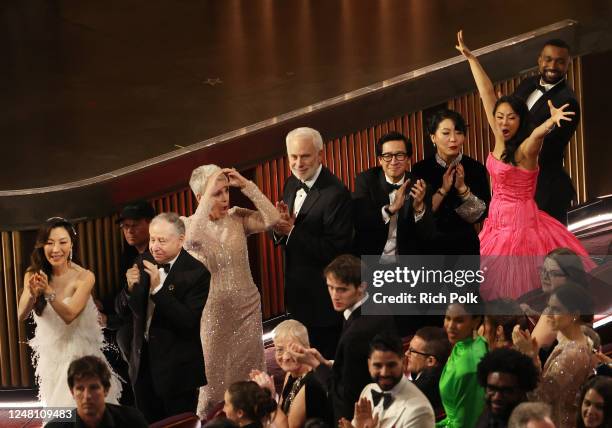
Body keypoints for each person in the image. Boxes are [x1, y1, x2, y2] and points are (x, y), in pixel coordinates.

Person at [455, 30, 593, 300]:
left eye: (510, 118)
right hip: (495, 223)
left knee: (521, 290)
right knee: (485, 290)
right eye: (500, 117)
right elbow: (486, 93)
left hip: (521, 227)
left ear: (521, 121)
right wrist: (471, 59)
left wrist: (550, 122)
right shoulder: (499, 133)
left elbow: (538, 136)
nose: (503, 122)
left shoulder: (527, 149)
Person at [182, 165, 280, 416]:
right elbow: (191, 240)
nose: (226, 198)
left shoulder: (237, 217)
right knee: (214, 382)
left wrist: (247, 185)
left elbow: (272, 218)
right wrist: (207, 197)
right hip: (214, 315)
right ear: (199, 198)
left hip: (247, 308)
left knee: (252, 377)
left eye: (227, 190)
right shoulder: (188, 225)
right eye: (217, 193)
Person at [115, 212, 211, 422]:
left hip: (177, 371)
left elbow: (187, 321)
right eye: (152, 239)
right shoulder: (142, 261)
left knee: (178, 425)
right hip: (143, 365)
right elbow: (121, 312)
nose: (154, 246)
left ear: (181, 240)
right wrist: (128, 291)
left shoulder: (197, 273)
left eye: (162, 240)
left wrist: (158, 289)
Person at [18, 217, 122, 407]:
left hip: (80, 356)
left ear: (72, 244)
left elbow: (69, 315)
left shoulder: (85, 276)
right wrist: (32, 295)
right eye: (49, 243)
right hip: (51, 358)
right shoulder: (33, 273)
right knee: (59, 417)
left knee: (83, 411)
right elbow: (21, 315)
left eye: (63, 242)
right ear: (42, 246)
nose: (56, 249)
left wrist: (48, 292)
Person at [273, 127, 354, 359]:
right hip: (297, 296)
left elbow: (336, 251)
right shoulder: (291, 182)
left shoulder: (336, 194)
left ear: (320, 154)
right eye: (293, 157)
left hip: (322, 303)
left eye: (305, 156)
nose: (298, 163)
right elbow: (285, 229)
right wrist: (280, 229)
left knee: (321, 364)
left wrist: (291, 231)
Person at [287, 254, 396, 423]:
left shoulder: (355, 335)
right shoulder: (379, 306)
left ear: (362, 287)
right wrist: (328, 363)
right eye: (330, 287)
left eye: (342, 289)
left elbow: (345, 398)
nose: (334, 295)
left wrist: (316, 365)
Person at [512, 39, 580, 224]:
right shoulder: (527, 84)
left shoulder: (568, 102)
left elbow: (545, 149)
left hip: (546, 190)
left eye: (560, 61)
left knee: (547, 251)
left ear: (567, 64)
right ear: (539, 60)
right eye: (548, 59)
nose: (552, 66)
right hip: (520, 184)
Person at [513, 284, 597, 427]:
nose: (549, 314)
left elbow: (540, 399)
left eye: (556, 309)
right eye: (549, 307)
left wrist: (529, 357)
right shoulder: (573, 342)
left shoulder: (573, 353)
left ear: (575, 315)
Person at [412, 108, 490, 255]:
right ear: (433, 137)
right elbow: (420, 214)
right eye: (446, 133)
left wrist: (462, 189)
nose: (453, 139)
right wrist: (443, 189)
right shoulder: (421, 169)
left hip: (465, 247)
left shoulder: (475, 167)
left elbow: (480, 216)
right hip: (429, 248)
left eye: (459, 132)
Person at [352, 131, 431, 260]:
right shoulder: (366, 181)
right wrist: (391, 209)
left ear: (408, 159)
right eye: (387, 156)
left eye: (399, 155)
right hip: (372, 260)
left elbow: (428, 235)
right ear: (380, 160)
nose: (394, 161)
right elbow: (361, 223)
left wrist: (419, 208)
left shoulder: (419, 185)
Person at [250, 320, 332, 427]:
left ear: (307, 349)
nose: (286, 357)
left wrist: (269, 396)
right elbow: (282, 412)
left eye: (293, 349)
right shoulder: (290, 373)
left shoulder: (311, 383)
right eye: (280, 350)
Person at [343, 333, 435, 428]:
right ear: (369, 364)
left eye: (391, 365)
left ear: (403, 363)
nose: (384, 373)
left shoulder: (420, 411)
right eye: (377, 365)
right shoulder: (368, 391)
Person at [45, 355, 147, 428]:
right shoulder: (54, 426)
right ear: (72, 392)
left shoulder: (132, 421)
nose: (87, 396)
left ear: (106, 390)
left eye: (93, 388)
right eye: (80, 389)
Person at [437, 301, 488, 428]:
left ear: (476, 321)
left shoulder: (469, 366)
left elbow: (465, 424)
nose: (450, 326)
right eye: (447, 318)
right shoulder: (467, 343)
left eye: (459, 321)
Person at [475, 348, 539, 428]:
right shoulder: (487, 418)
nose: (497, 397)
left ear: (521, 392)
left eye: (506, 391)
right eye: (492, 389)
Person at [405, 326, 451, 417]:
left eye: (412, 351)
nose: (406, 353)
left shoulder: (422, 388)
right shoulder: (441, 371)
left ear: (430, 361)